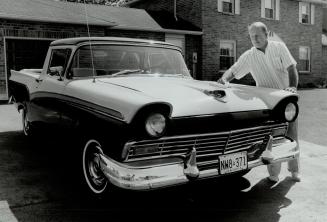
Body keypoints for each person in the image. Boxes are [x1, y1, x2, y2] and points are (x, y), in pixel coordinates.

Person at [217, 22, 300, 182]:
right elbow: (233, 71)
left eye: (258, 36)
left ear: (266, 34)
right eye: (251, 36)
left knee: (291, 135)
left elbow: (292, 68)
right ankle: (273, 174)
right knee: (271, 137)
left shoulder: (279, 47)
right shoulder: (249, 55)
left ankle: (294, 171)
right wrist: (224, 80)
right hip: (267, 102)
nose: (254, 39)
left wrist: (292, 87)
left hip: (286, 100)